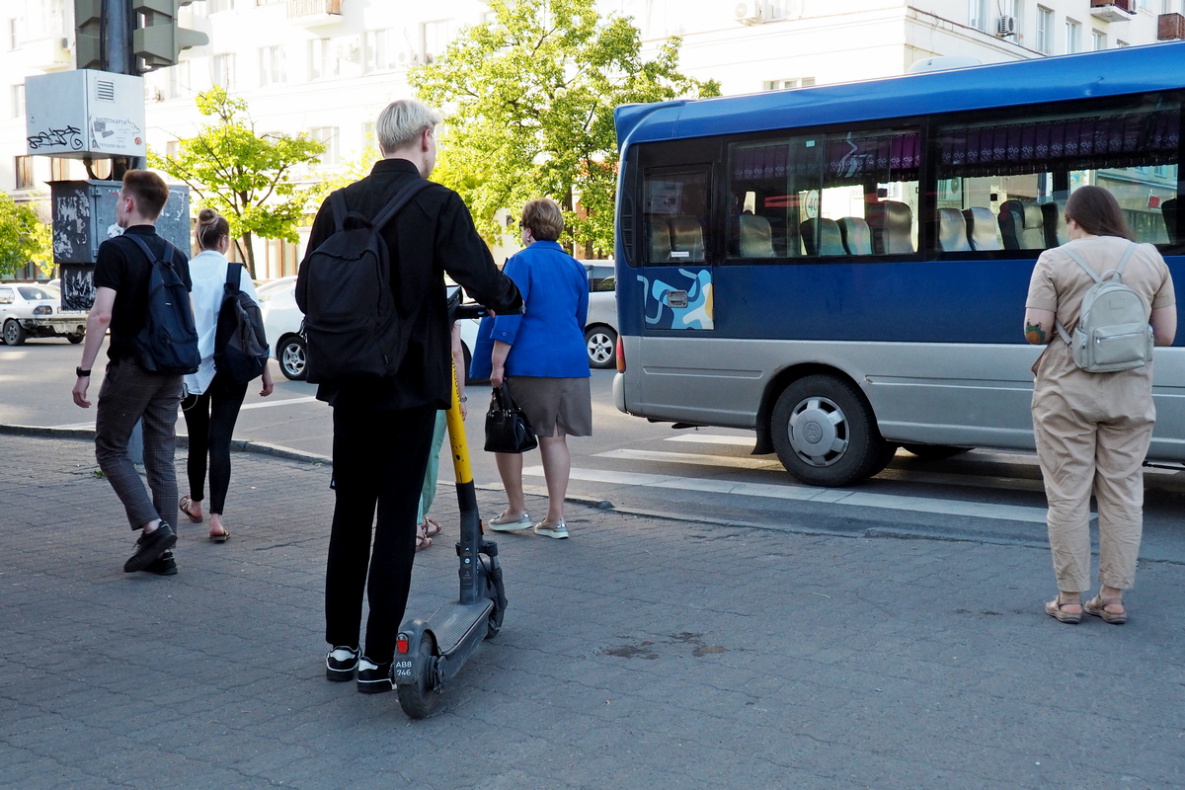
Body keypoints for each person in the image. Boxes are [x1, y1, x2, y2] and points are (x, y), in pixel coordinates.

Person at [303, 99, 521, 693]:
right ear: (425, 139)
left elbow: (305, 292)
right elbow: (480, 276)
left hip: (349, 387)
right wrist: (510, 296)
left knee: (350, 513)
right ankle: (378, 658)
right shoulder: (437, 203)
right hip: (406, 386)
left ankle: (341, 650)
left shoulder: (338, 204)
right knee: (396, 518)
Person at [1024, 185, 1176, 625]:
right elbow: (1164, 335)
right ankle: (1112, 597)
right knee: (1125, 492)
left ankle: (1070, 598)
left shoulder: (1054, 260)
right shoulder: (1149, 258)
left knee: (1068, 493)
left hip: (1065, 394)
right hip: (1129, 394)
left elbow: (1034, 332)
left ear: (1072, 220)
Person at [71, 170, 192, 576]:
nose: (118, 203)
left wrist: (84, 370)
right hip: (172, 367)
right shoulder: (176, 255)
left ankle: (155, 529)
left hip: (133, 365)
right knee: (161, 458)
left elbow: (102, 314)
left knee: (110, 448)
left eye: (120, 196)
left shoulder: (116, 250)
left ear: (128, 202)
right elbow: (184, 315)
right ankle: (164, 555)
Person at [471, 198, 591, 540]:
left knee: (507, 431)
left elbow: (510, 314)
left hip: (529, 362)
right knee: (554, 438)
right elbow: (577, 318)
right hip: (570, 361)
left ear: (527, 230)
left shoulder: (521, 262)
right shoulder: (575, 267)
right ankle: (556, 519)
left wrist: (497, 363)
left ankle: (517, 510)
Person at [177, 209, 275, 542]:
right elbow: (253, 325)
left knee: (196, 440)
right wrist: (265, 371)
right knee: (221, 441)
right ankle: (217, 519)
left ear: (198, 239)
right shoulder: (235, 272)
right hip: (231, 368)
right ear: (224, 240)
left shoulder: (183, 271)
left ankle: (196, 504)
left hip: (191, 371)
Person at [414, 322, 468, 551]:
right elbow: (454, 352)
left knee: (410, 458)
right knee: (427, 457)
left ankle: (417, 520)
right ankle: (417, 523)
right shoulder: (445, 302)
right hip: (435, 389)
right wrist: (461, 397)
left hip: (400, 388)